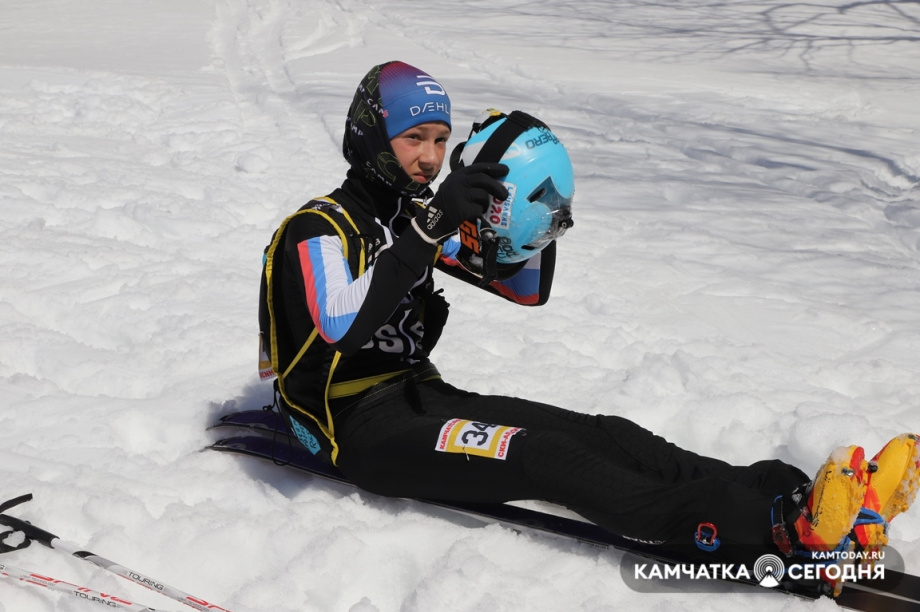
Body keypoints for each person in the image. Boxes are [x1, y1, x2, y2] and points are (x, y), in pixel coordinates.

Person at [257, 60, 919, 594]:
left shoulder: (412, 223)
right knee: (544, 458)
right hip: (356, 430)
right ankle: (774, 530)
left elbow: (524, 287)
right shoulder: (318, 229)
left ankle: (790, 494)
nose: (430, 159)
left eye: (439, 141)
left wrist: (535, 206)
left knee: (608, 436)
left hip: (423, 399)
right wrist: (434, 226)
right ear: (372, 138)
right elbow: (340, 322)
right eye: (413, 139)